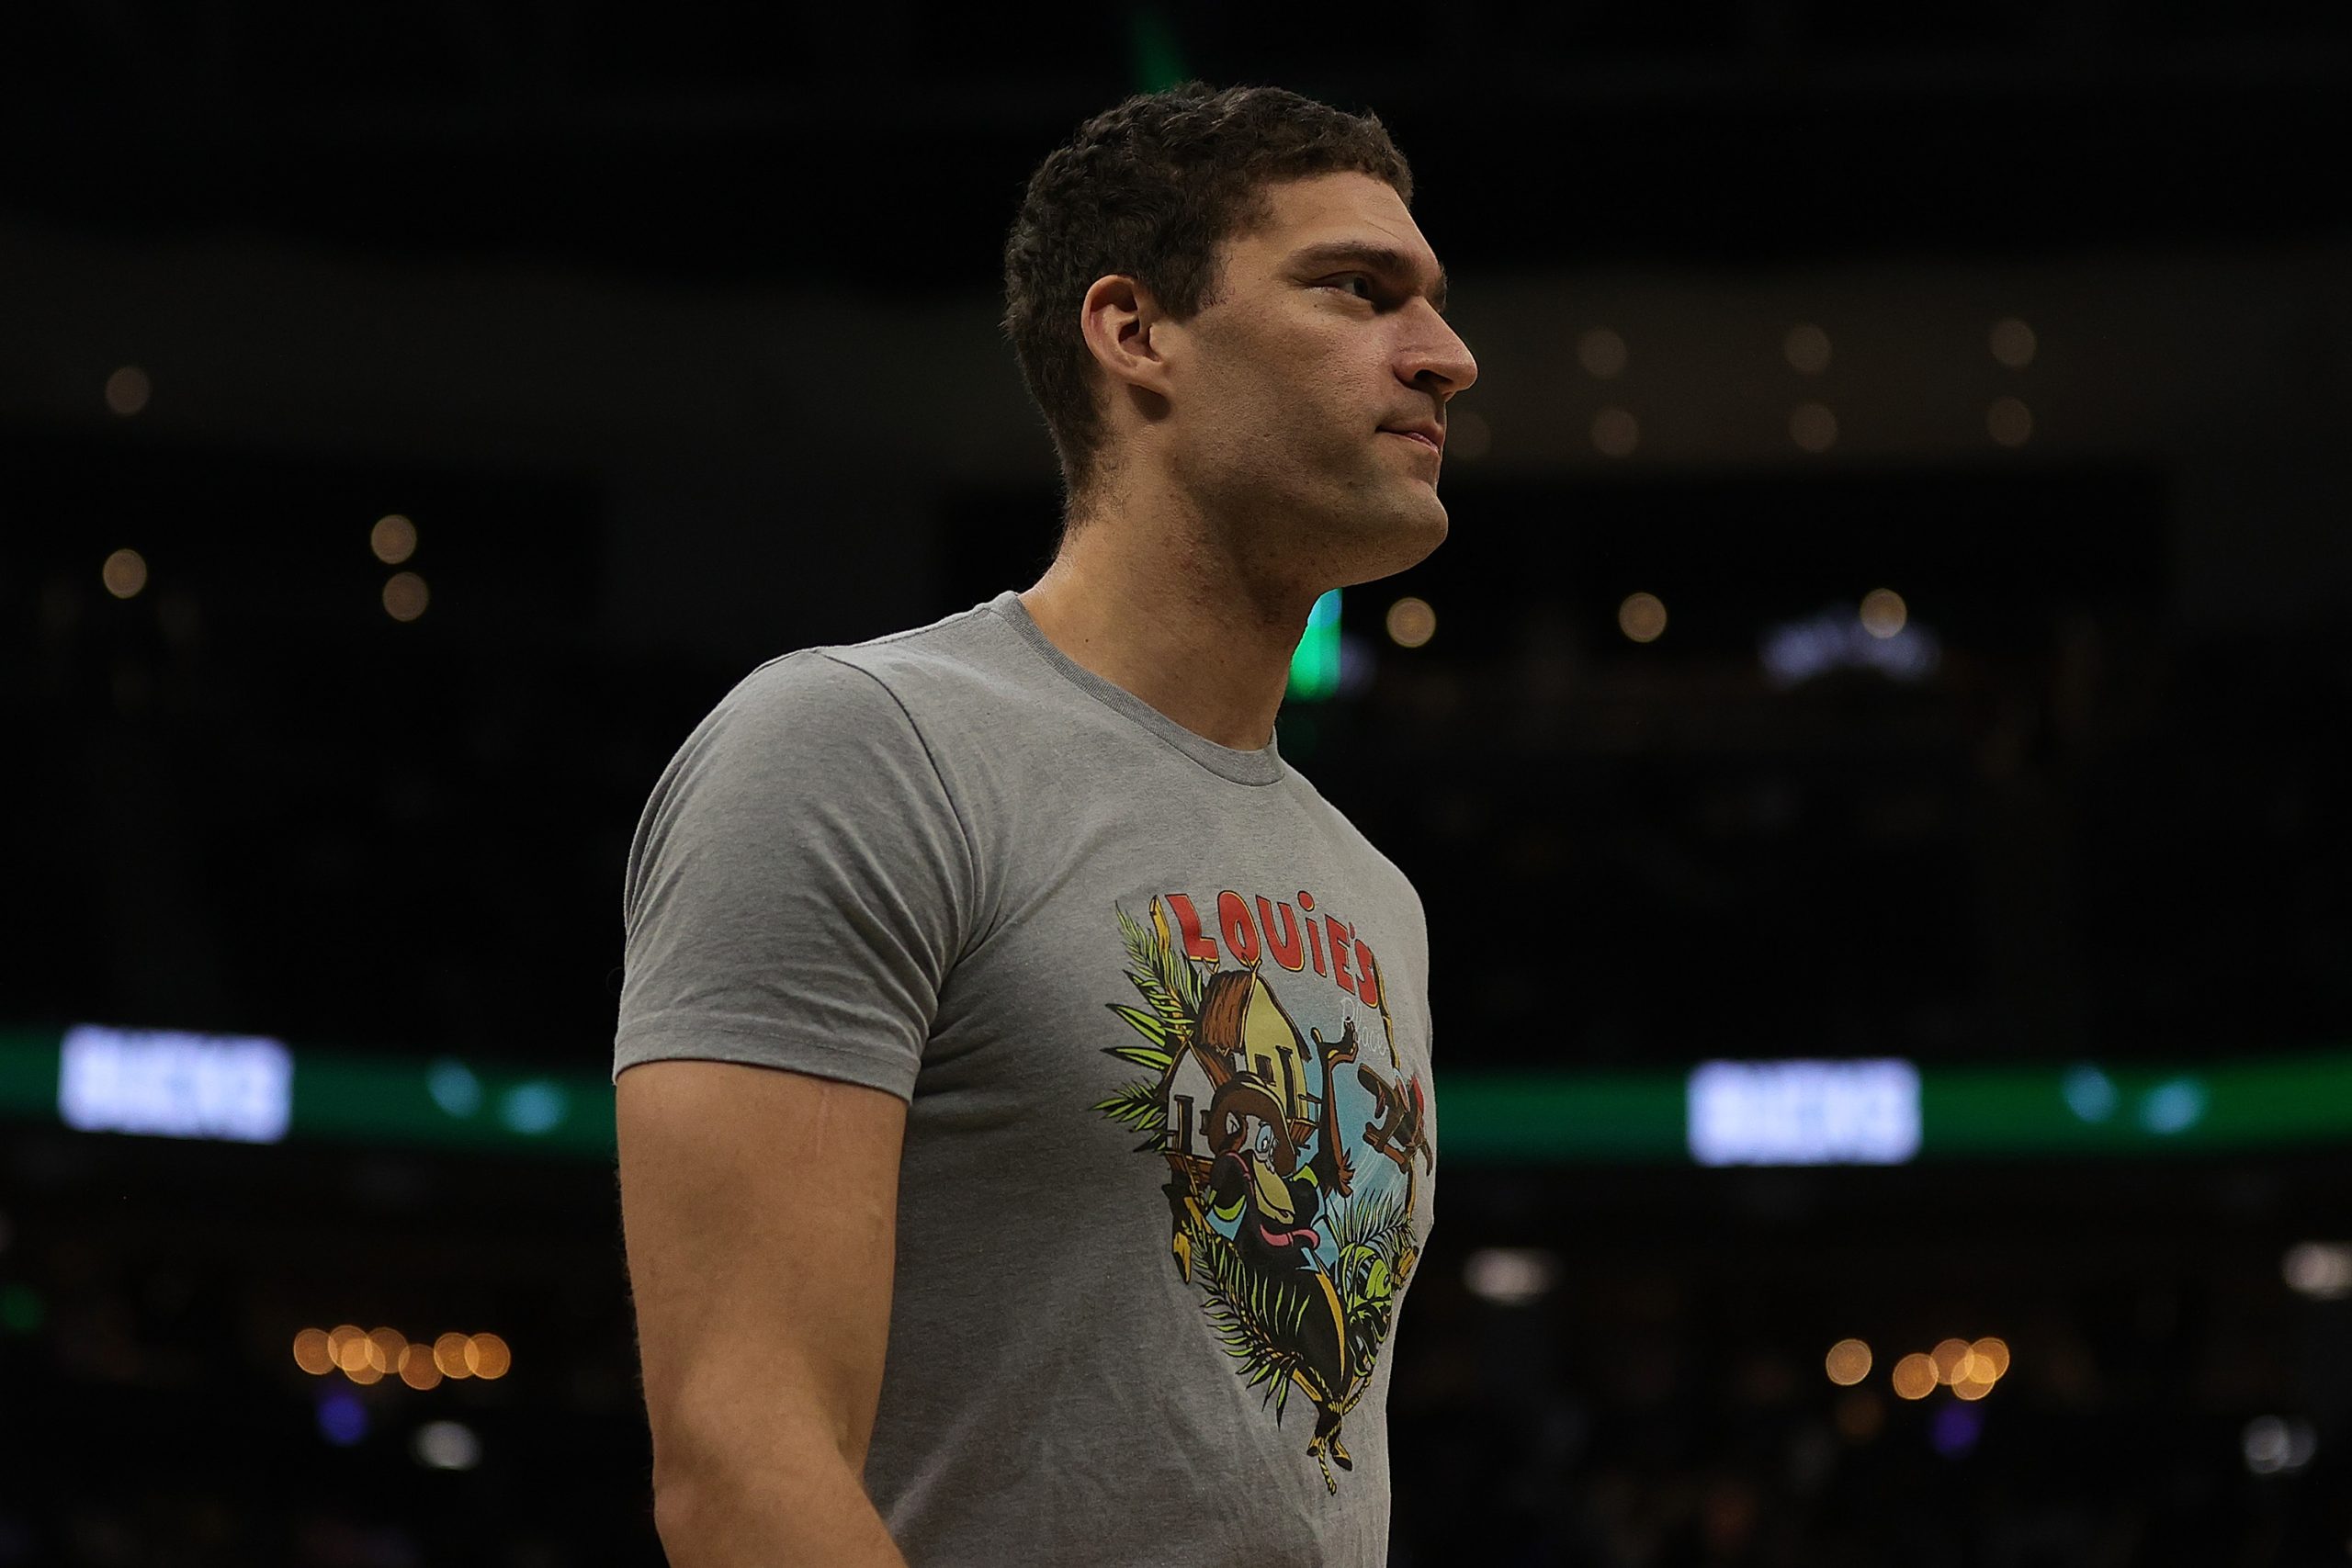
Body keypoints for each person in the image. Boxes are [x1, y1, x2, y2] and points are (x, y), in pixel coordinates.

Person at [613, 80, 1476, 1567]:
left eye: (1435, 304)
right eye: (1357, 290)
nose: (1447, 357)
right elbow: (742, 1461)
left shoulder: (1373, 890)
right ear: (1137, 333)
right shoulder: (858, 750)